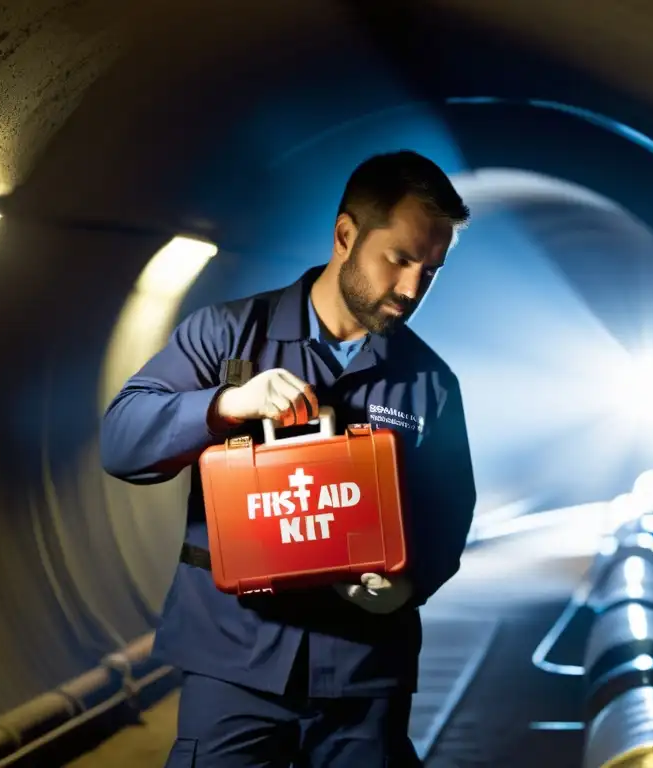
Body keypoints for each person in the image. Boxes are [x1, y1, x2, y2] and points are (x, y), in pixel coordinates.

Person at [100, 150, 477, 767]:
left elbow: (448, 518)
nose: (411, 289)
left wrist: (405, 583)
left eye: (430, 271)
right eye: (401, 259)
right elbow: (121, 441)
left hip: (363, 679)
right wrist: (223, 405)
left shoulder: (430, 384)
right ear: (346, 235)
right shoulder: (226, 336)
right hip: (232, 670)